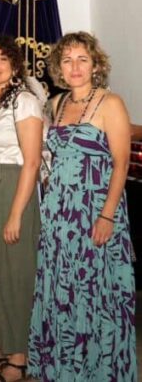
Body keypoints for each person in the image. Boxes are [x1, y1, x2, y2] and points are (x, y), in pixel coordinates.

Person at [28, 32, 137, 381]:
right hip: (59, 214)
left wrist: (107, 216)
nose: (74, 67)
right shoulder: (56, 103)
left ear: (95, 65)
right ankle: (62, 370)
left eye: (82, 59)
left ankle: (99, 372)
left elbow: (120, 164)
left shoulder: (111, 103)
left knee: (96, 294)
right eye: (67, 60)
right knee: (62, 289)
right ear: (59, 67)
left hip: (95, 211)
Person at [0, 37, 43, 382]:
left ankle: (21, 358)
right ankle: (8, 347)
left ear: (15, 65)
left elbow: (32, 162)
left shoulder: (25, 101)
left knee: (15, 272)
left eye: (2, 58)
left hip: (12, 186)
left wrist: (16, 213)